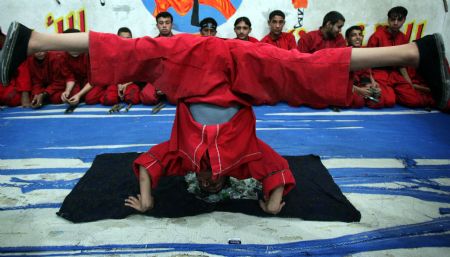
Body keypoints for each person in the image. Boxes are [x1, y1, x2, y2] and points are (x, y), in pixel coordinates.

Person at [1, 22, 449, 214]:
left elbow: (149, 164)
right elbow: (276, 171)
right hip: (236, 78)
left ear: (200, 179)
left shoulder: (178, 156)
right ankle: (415, 51)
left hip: (198, 70)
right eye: (218, 185)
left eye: (206, 185)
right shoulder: (247, 159)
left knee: (137, 53)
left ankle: (34, 39)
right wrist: (272, 203)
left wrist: (151, 200)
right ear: (226, 181)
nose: (212, 182)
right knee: (304, 70)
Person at [367, 6, 443, 109]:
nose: (395, 23)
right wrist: (371, 80)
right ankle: (391, 94)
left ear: (404, 20)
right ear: (388, 19)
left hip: (396, 74)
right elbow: (367, 61)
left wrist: (409, 82)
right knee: (388, 101)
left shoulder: (403, 38)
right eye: (393, 19)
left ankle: (396, 93)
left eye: (399, 20)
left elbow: (403, 64)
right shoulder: (377, 36)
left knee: (415, 100)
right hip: (380, 73)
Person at [345, 25, 395, 109]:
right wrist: (359, 90)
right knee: (358, 102)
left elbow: (369, 72)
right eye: (354, 35)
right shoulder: (344, 53)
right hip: (350, 87)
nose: (358, 37)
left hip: (364, 84)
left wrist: (374, 85)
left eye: (360, 35)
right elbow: (341, 81)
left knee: (383, 101)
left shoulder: (366, 51)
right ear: (347, 39)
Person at [60, 28, 92, 108]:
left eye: (75, 44)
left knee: (90, 99)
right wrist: (67, 91)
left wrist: (79, 95)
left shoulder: (89, 54)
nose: (73, 47)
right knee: (68, 96)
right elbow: (70, 77)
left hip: (91, 82)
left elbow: (93, 79)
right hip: (77, 82)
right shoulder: (63, 56)